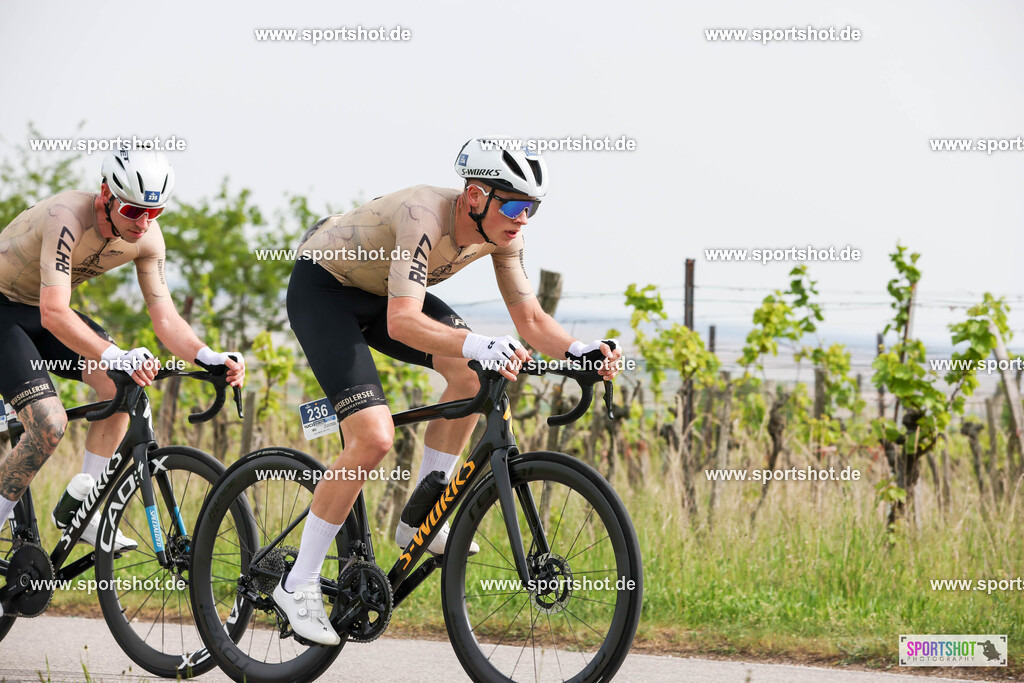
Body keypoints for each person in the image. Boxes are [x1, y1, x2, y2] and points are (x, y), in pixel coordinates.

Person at [278, 137, 622, 645]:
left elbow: (529, 318)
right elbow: (402, 322)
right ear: (476, 196)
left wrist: (579, 351)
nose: (523, 218)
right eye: (513, 204)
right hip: (325, 290)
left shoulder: (504, 233)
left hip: (382, 295)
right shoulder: (425, 214)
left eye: (532, 208)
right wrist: (476, 341)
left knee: (471, 375)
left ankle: (420, 517)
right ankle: (298, 583)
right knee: (372, 439)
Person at [0, 149, 245, 560]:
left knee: (123, 385)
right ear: (105, 195)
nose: (144, 222)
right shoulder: (68, 215)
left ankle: (78, 507)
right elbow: (55, 312)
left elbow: (165, 319)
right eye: (133, 210)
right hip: (7, 308)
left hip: (40, 312)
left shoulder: (147, 237)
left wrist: (207, 356)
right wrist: (116, 353)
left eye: (156, 211)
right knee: (48, 424)